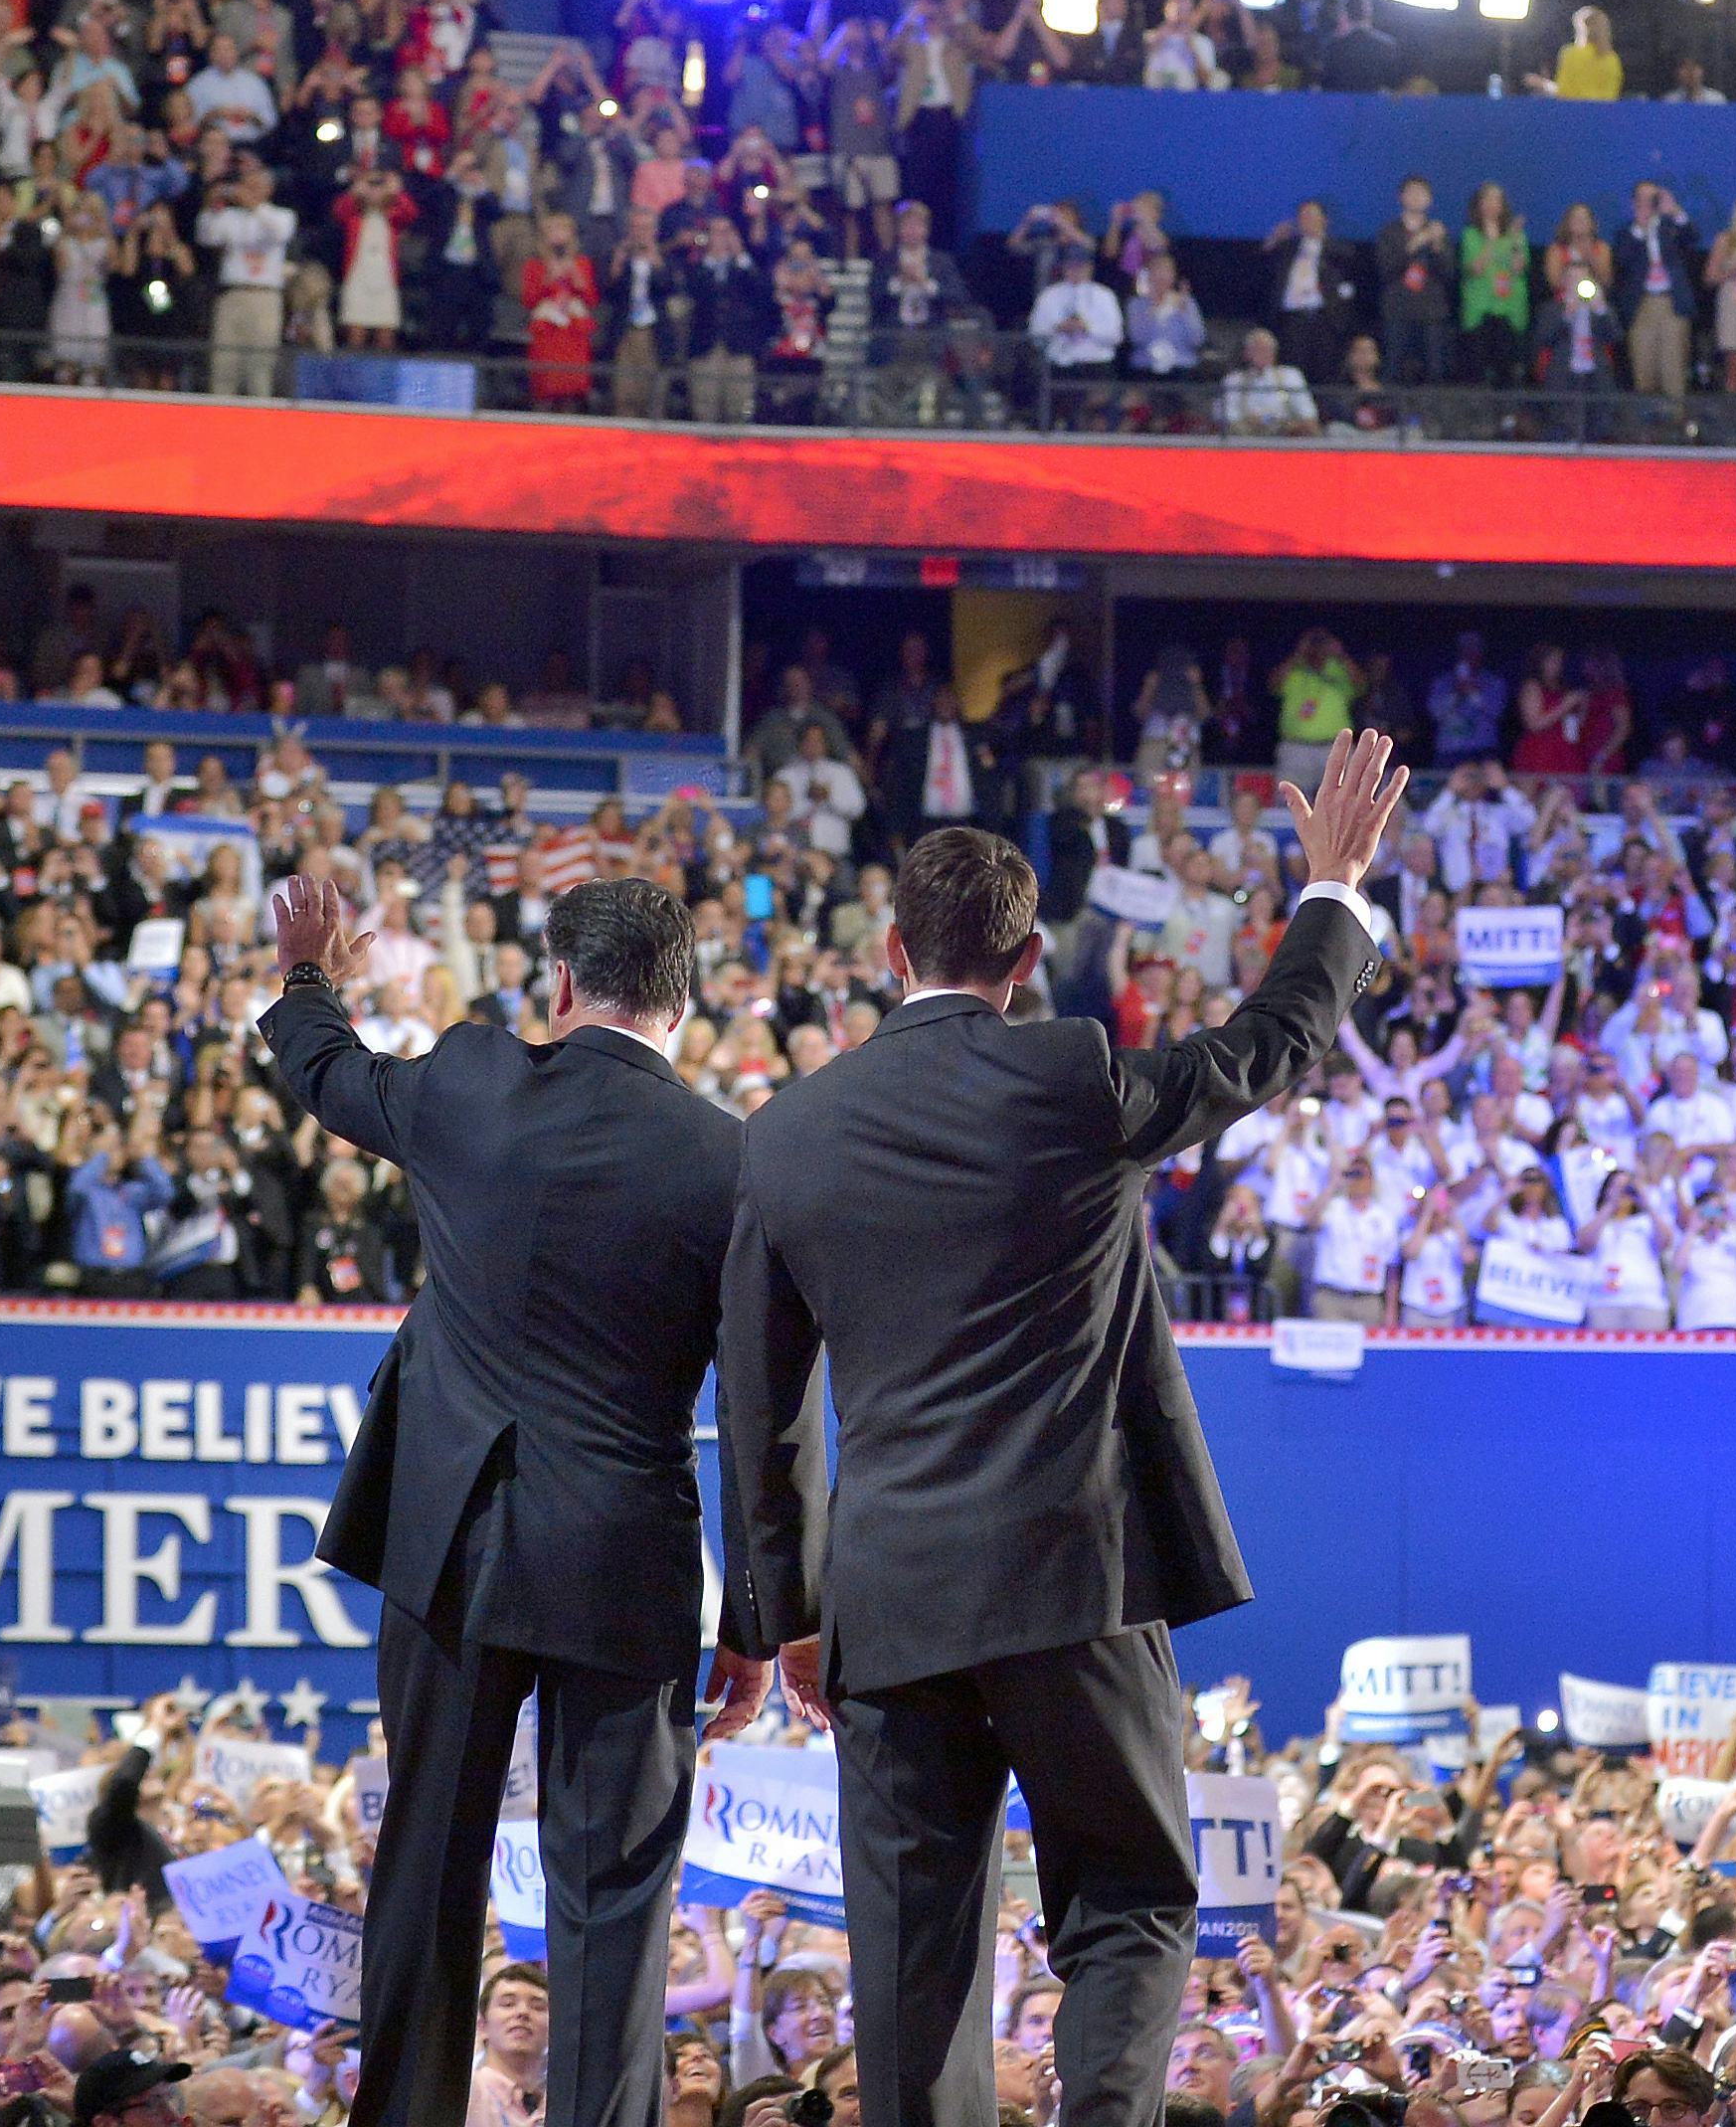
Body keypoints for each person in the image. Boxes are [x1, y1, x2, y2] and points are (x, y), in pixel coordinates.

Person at [716, 732, 1408, 2127]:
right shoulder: (1073, 1077)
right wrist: (1331, 889)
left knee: (908, 1952)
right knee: (1131, 1894)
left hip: (890, 1599)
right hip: (1073, 1580)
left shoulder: (785, 1134)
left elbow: (761, 1405)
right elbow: (1265, 1047)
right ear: (1026, 959)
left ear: (893, 952)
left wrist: (786, 1613)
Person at [260, 872, 744, 2127]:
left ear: (561, 983)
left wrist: (309, 973)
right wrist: (759, 1612)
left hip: (455, 1540)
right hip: (625, 1558)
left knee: (428, 1860)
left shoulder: (471, 1079)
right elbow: (761, 1406)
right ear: (681, 1005)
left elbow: (326, 1072)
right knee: (615, 1895)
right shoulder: (731, 1159)